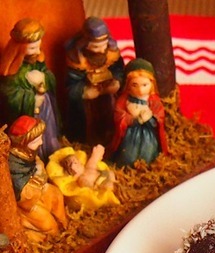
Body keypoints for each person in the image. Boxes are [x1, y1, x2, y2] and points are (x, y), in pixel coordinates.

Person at [0, 18, 61, 160]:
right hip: (29, 114)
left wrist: (43, 78)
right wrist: (31, 98)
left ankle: (50, 151)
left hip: (45, 109)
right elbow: (8, 95)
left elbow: (48, 75)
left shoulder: (37, 59)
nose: (38, 51)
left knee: (48, 134)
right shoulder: (11, 71)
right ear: (19, 48)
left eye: (39, 46)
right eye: (33, 48)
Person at [65, 16, 124, 145]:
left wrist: (117, 82)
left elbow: (119, 71)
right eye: (97, 47)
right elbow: (70, 87)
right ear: (85, 44)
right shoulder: (77, 61)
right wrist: (85, 91)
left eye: (104, 45)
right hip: (87, 105)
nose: (102, 50)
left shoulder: (111, 55)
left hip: (108, 97)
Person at [7, 116, 68, 241]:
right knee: (49, 225)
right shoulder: (13, 163)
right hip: (26, 204)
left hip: (37, 189)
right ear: (23, 142)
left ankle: (66, 228)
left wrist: (39, 174)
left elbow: (37, 164)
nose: (41, 142)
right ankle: (41, 237)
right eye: (36, 141)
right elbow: (21, 192)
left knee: (56, 194)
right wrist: (38, 179)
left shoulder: (28, 153)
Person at [110, 58, 168, 167]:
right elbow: (119, 116)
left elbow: (159, 118)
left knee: (148, 154)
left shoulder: (154, 101)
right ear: (128, 85)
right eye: (135, 85)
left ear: (152, 84)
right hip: (130, 135)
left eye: (144, 85)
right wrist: (134, 120)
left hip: (148, 136)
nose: (140, 90)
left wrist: (150, 118)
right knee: (128, 156)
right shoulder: (124, 100)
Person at [47, 144, 119, 210]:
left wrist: (96, 155)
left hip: (102, 175)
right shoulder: (82, 179)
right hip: (99, 183)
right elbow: (85, 184)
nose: (74, 165)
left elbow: (93, 163)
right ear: (70, 170)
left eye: (76, 162)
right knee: (109, 186)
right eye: (71, 164)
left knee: (111, 175)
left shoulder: (87, 168)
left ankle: (117, 186)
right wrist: (96, 186)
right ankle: (115, 193)